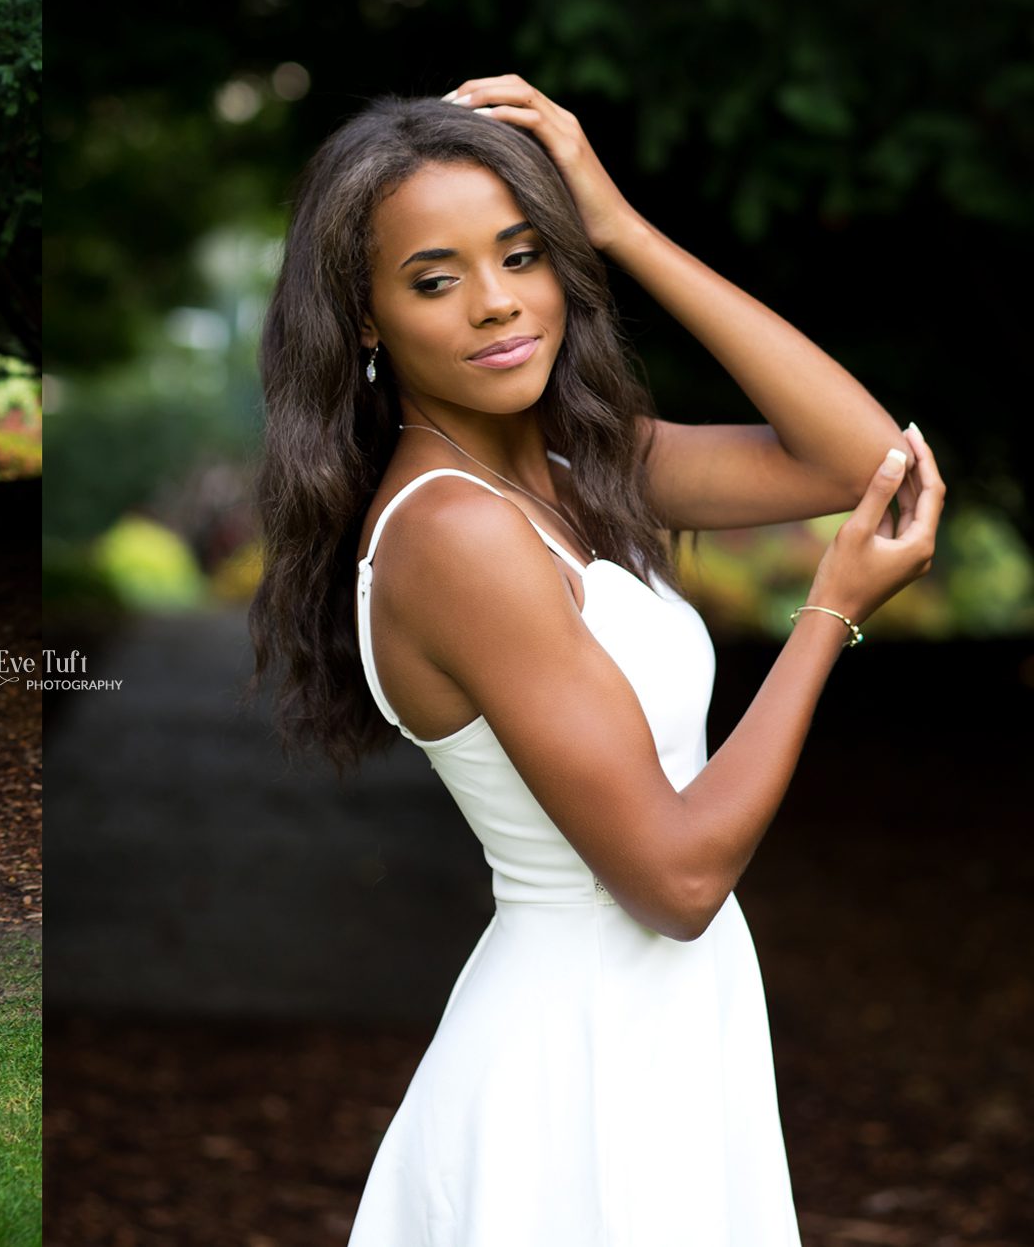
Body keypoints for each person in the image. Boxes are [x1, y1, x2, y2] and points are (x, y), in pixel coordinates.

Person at [248, 78, 942, 1241]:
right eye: (433, 279)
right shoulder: (452, 533)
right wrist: (828, 613)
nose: (493, 303)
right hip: (575, 1061)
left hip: (663, 1027)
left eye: (521, 255)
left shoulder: (572, 466)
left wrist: (616, 227)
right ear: (362, 318)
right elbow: (673, 882)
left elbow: (865, 459)